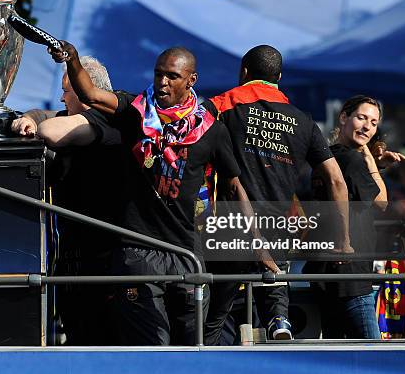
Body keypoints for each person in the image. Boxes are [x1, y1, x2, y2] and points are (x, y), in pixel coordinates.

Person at [47, 41, 257, 346]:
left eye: (172, 76)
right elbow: (90, 95)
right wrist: (73, 60)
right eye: (158, 74)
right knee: (153, 348)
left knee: (193, 348)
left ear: (191, 81)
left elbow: (234, 185)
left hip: (186, 253)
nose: (162, 82)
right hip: (137, 251)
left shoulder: (211, 129)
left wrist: (255, 241)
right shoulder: (136, 112)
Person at [203, 45, 351, 343]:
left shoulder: (219, 107)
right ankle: (278, 319)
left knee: (215, 314)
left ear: (243, 72)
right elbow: (336, 179)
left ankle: (203, 356)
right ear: (279, 77)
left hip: (230, 226)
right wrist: (344, 239)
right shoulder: (303, 120)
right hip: (278, 225)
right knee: (274, 289)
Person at [12, 56, 122, 345]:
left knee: (103, 339)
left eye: (68, 91)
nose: (61, 97)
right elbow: (42, 113)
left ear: (87, 91)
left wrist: (39, 125)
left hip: (106, 257)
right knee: (75, 335)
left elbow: (51, 130)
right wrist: (30, 119)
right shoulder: (71, 117)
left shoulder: (109, 120)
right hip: (74, 255)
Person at [304, 95, 405, 339]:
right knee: (373, 355)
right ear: (343, 117)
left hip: (325, 269)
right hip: (349, 273)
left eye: (373, 122)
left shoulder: (328, 156)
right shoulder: (352, 159)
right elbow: (381, 202)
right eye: (361, 118)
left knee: (337, 352)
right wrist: (370, 159)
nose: (367, 127)